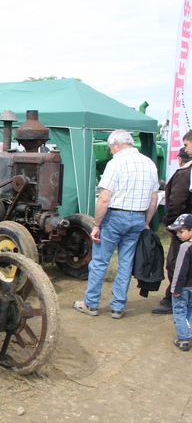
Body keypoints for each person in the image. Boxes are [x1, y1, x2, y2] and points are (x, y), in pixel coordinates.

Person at [74, 130, 159, 319]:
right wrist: (146, 222)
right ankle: (118, 306)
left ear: (117, 144)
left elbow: (104, 198)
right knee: (126, 263)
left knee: (100, 262)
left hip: (115, 217)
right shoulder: (149, 164)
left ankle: (91, 304)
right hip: (137, 218)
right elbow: (154, 198)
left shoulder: (116, 163)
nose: (110, 150)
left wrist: (97, 224)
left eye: (110, 147)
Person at [153, 136, 192, 314]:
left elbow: (176, 202)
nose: (186, 147)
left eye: (186, 144)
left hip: (185, 228)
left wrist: (172, 225)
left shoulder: (185, 174)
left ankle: (174, 299)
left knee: (176, 264)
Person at [164, 213, 192, 351]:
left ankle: (183, 339)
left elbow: (180, 270)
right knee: (191, 310)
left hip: (183, 287)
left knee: (180, 311)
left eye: (181, 232)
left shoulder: (185, 247)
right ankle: (189, 332)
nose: (178, 235)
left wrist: (174, 289)